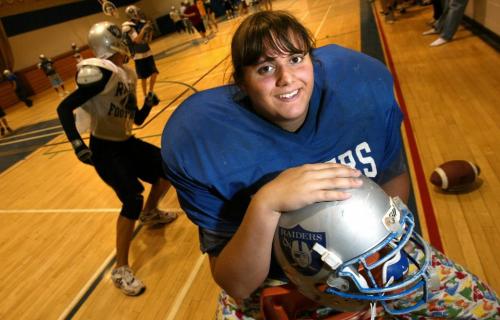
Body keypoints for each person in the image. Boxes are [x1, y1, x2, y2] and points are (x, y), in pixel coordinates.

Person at [161, 11, 500, 319]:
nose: (286, 78)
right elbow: (236, 283)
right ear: (241, 81)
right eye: (265, 68)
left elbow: (393, 177)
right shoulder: (205, 138)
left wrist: (370, 283)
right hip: (273, 276)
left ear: (312, 60)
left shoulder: (359, 87)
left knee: (484, 310)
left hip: (370, 253)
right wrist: (266, 204)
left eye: (296, 58)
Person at [57, 21, 178, 296]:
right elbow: (64, 108)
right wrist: (77, 144)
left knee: (168, 167)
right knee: (131, 198)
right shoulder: (99, 72)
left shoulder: (125, 74)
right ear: (111, 43)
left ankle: (150, 213)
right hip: (105, 148)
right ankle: (120, 268)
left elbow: (135, 119)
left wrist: (147, 104)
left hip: (126, 142)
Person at [122, 5, 160, 103]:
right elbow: (137, 40)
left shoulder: (141, 23)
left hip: (147, 52)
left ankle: (150, 92)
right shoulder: (128, 27)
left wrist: (149, 31)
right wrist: (144, 29)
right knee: (143, 77)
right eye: (137, 13)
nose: (139, 14)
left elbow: (148, 40)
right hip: (138, 55)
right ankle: (145, 96)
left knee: (154, 73)